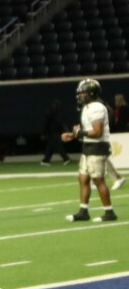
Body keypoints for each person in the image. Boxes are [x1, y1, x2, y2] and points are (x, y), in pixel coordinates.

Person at [62, 79, 117, 222]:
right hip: (88, 147)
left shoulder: (96, 107)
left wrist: (80, 134)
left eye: (83, 93)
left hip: (97, 148)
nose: (80, 96)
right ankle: (83, 211)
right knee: (83, 178)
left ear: (92, 93)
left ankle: (109, 212)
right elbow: (87, 131)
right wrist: (73, 135)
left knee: (98, 180)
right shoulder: (87, 107)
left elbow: (97, 132)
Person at [40, 99, 71, 166]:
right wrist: (43, 133)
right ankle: (66, 159)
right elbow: (45, 124)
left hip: (54, 132)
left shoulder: (55, 114)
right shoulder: (50, 114)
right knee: (58, 146)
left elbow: (59, 124)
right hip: (51, 133)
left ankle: (45, 161)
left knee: (51, 147)